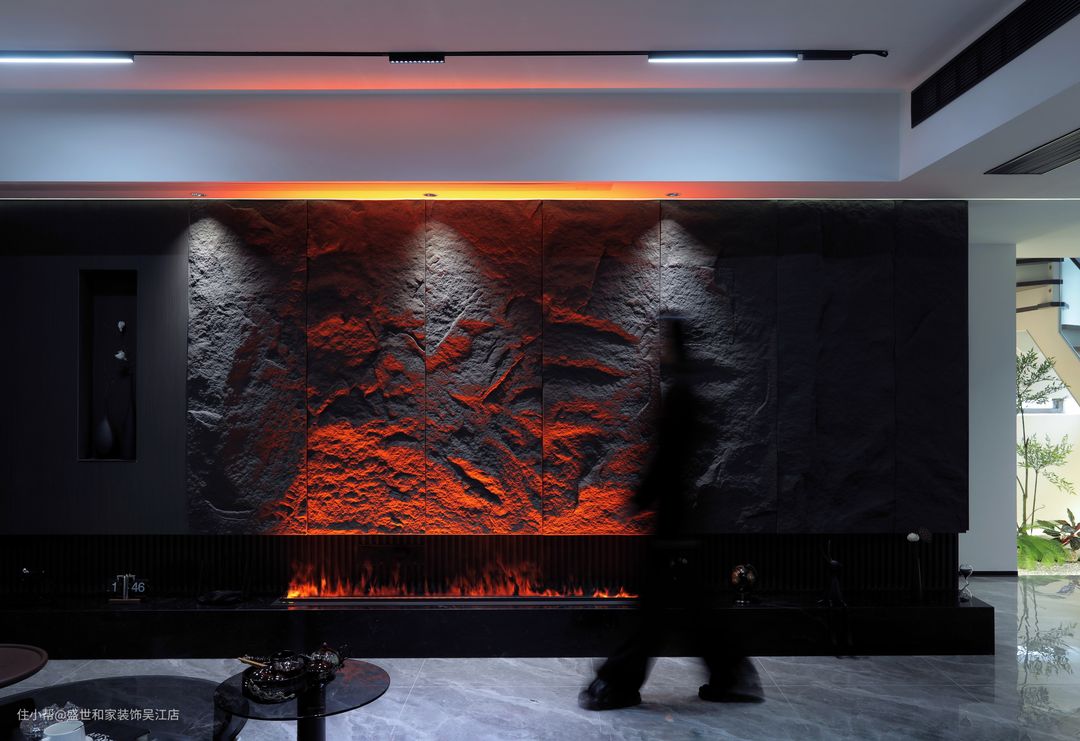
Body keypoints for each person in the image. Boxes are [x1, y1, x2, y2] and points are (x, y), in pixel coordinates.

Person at [578, 316, 760, 711]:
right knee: (690, 610)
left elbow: (668, 459)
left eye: (662, 344)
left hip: (672, 524)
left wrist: (640, 498)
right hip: (680, 523)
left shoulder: (679, 396)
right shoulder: (686, 393)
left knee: (654, 610)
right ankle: (731, 676)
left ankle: (619, 682)